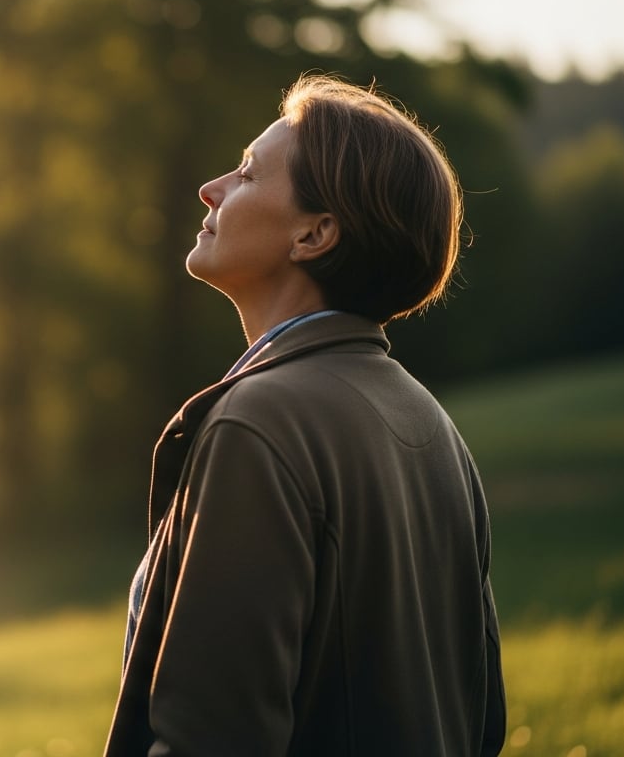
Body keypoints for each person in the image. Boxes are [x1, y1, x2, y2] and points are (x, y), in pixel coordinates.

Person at [104, 74, 506, 756]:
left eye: (249, 173)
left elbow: (213, 738)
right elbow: (481, 720)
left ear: (315, 233)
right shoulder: (433, 425)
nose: (212, 187)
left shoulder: (258, 422)